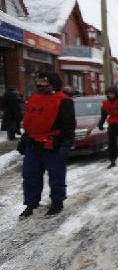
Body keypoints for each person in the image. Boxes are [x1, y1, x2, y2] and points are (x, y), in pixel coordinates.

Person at [17, 72, 76, 218]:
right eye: (38, 83)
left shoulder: (63, 101)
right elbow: (31, 121)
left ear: (52, 84)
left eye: (44, 83)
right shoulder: (33, 99)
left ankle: (57, 202)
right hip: (33, 144)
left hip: (52, 145)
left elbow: (69, 126)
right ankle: (31, 204)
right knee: (30, 176)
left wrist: (66, 145)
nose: (40, 86)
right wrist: (24, 139)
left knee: (56, 176)